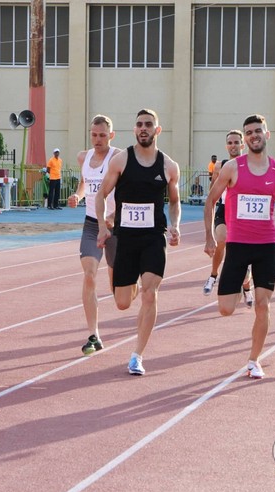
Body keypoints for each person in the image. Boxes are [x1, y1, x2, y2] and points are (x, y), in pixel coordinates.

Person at [204, 114, 275, 378]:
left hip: (265, 246)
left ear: (266, 134)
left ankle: (254, 360)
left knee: (263, 305)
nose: (253, 135)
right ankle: (241, 282)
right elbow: (210, 201)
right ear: (245, 137)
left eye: (257, 131)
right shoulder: (232, 168)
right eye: (248, 132)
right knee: (225, 309)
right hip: (237, 246)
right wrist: (209, 236)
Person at [95, 108, 181, 376]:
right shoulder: (121, 160)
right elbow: (101, 194)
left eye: (148, 124)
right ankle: (126, 280)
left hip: (154, 236)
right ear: (135, 130)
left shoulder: (169, 166)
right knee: (122, 302)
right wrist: (101, 226)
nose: (143, 128)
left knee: (150, 293)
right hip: (125, 237)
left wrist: (175, 225)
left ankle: (137, 355)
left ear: (158, 130)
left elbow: (175, 201)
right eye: (139, 124)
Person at [67, 115, 122, 355]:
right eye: (94, 135)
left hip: (116, 226)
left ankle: (133, 281)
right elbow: (84, 181)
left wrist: (113, 216)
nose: (97, 140)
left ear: (111, 135)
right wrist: (78, 196)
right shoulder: (83, 157)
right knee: (89, 275)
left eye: (102, 135)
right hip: (91, 224)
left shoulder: (118, 158)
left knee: (119, 291)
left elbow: (128, 191)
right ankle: (93, 334)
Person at [202, 129, 254, 309]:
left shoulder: (250, 163)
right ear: (227, 146)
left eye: (236, 142)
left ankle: (247, 286)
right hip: (225, 209)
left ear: (243, 144)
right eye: (229, 143)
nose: (233, 146)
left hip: (244, 212)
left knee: (242, 251)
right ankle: (213, 275)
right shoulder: (220, 166)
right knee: (221, 239)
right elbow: (212, 192)